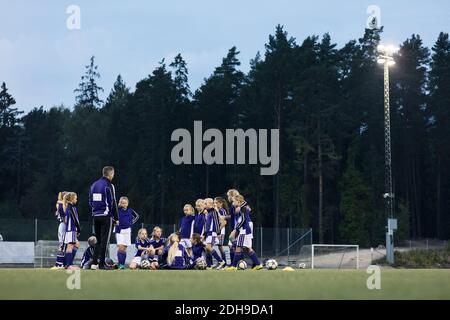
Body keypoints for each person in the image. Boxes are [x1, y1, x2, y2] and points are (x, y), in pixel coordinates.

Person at [89, 166, 119, 270]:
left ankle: (94, 263)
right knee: (104, 241)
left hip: (95, 216)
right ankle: (101, 264)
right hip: (106, 216)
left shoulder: (93, 185)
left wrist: (96, 210)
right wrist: (116, 217)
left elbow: (90, 201)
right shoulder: (109, 185)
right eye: (113, 174)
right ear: (110, 174)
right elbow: (113, 202)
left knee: (98, 240)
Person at [226, 195, 263, 271]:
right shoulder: (242, 207)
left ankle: (233, 266)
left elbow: (243, 220)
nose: (233, 203)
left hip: (244, 230)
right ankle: (258, 264)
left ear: (238, 202)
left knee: (238, 248)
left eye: (234, 201)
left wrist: (236, 229)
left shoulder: (242, 208)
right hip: (246, 230)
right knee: (247, 248)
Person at [115, 196, 139, 269]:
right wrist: (114, 222)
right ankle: (120, 264)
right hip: (119, 230)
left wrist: (130, 223)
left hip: (127, 231)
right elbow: (112, 217)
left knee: (124, 248)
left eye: (125, 203)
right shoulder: (117, 210)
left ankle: (122, 264)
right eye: (122, 203)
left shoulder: (130, 210)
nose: (124, 204)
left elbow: (137, 216)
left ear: (127, 203)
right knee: (120, 248)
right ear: (120, 203)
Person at [204, 198, 225, 270]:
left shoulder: (214, 212)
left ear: (211, 204)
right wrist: (204, 234)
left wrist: (218, 233)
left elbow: (216, 223)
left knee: (208, 247)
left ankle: (221, 261)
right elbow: (207, 225)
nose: (205, 205)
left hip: (212, 233)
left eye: (206, 203)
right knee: (207, 249)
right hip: (208, 233)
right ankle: (209, 265)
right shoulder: (209, 213)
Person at [63, 192, 81, 269]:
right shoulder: (72, 207)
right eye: (75, 198)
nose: (76, 200)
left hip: (70, 229)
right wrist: (79, 229)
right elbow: (75, 219)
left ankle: (68, 263)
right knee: (70, 247)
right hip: (71, 229)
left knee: (76, 244)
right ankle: (68, 265)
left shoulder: (68, 206)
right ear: (71, 199)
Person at [51, 191, 68, 269]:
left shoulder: (61, 203)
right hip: (64, 225)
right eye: (66, 196)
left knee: (65, 245)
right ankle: (59, 263)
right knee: (62, 245)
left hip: (63, 225)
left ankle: (63, 263)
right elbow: (64, 216)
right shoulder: (61, 204)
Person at [214, 197, 229, 264]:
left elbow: (223, 222)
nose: (215, 204)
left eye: (217, 203)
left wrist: (218, 230)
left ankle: (224, 262)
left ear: (221, 203)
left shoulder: (222, 211)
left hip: (221, 231)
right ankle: (221, 262)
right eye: (214, 203)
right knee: (218, 247)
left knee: (220, 246)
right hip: (217, 231)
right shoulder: (216, 210)